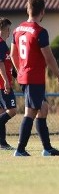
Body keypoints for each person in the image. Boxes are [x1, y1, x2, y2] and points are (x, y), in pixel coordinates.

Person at [10, 0, 59, 157]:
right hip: (34, 78)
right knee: (31, 112)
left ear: (28, 10)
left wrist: (20, 70)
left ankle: (47, 149)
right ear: (42, 12)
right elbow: (49, 58)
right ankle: (20, 150)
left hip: (26, 76)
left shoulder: (17, 29)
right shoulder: (40, 32)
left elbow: (13, 54)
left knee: (43, 108)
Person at [0, 18, 18, 150]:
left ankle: (2, 143)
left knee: (2, 113)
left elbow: (8, 65)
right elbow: (0, 64)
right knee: (12, 111)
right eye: (7, 29)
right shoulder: (0, 44)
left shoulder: (4, 44)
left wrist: (17, 76)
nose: (9, 32)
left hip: (3, 84)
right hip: (2, 85)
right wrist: (6, 81)